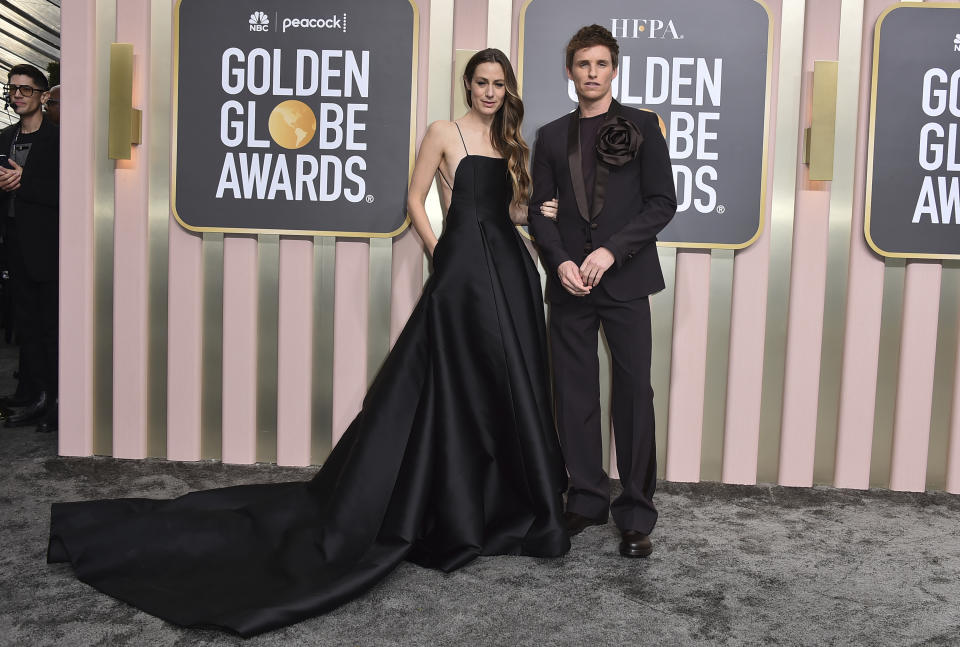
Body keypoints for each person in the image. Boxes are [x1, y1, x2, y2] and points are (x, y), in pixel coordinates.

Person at [47, 49, 569, 637]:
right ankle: (451, 505)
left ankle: (501, 500)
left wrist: (536, 208)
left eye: (499, 84)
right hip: (462, 271)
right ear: (467, 84)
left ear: (508, 90)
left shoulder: (511, 141)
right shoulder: (443, 132)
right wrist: (438, 251)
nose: (490, 92)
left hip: (513, 273)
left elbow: (508, 211)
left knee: (506, 381)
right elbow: (414, 199)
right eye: (482, 82)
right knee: (453, 385)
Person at [528, 25, 677, 558]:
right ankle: (586, 497)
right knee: (572, 392)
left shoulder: (642, 126)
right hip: (569, 283)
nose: (592, 72)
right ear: (569, 71)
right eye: (582, 64)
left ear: (614, 70)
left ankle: (636, 512)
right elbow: (538, 213)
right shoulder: (548, 136)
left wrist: (610, 251)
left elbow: (662, 202)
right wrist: (560, 260)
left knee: (635, 394)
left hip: (625, 278)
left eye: (601, 64)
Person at [0, 64, 59, 432]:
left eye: (25, 89)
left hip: (48, 246)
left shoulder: (57, 140)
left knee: (50, 324)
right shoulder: (3, 137)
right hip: (13, 242)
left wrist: (25, 181)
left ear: (43, 95)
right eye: (12, 89)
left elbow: (67, 191)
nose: (17, 94)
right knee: (26, 323)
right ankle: (29, 394)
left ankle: (51, 398)